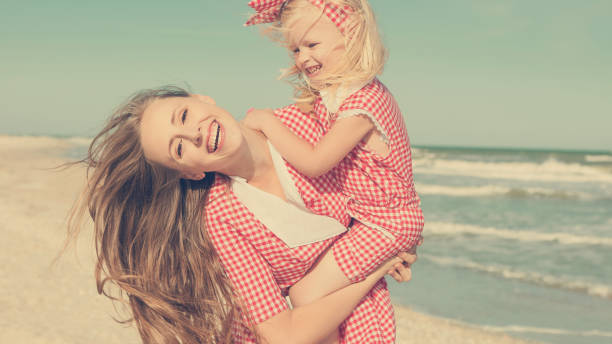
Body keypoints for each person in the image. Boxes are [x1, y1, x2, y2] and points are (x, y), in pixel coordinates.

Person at [68, 87, 417, 344]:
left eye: (185, 116)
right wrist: (378, 266)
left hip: (360, 324)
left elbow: (389, 195)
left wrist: (398, 242)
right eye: (179, 148)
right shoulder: (222, 217)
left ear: (203, 99)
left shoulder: (307, 126)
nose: (194, 133)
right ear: (188, 173)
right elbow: (283, 335)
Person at [243, 0, 425, 330]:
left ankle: (382, 268)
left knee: (304, 295)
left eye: (312, 44)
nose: (303, 57)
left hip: (386, 224)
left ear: (352, 32)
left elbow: (315, 162)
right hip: (371, 217)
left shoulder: (362, 103)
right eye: (296, 50)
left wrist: (266, 120)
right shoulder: (340, 95)